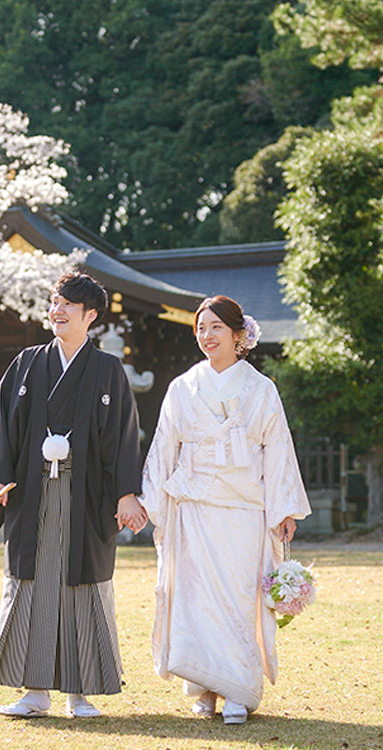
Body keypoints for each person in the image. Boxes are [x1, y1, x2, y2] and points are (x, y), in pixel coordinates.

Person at [0, 271, 148, 719]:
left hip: (86, 495)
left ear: (91, 316)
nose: (58, 310)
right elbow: (5, 424)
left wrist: (126, 494)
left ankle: (80, 692)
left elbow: (123, 438)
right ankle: (34, 692)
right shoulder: (28, 362)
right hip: (33, 492)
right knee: (32, 584)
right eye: (54, 301)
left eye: (69, 304)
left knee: (82, 584)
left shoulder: (107, 370)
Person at [140, 295, 311, 725]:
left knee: (237, 599)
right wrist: (149, 502)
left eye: (216, 327)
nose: (206, 335)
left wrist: (283, 508)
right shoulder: (183, 387)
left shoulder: (261, 389)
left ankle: (238, 688)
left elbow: (278, 451)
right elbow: (164, 447)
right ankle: (203, 687)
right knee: (196, 598)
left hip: (242, 508)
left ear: (238, 335)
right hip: (194, 507)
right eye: (200, 328)